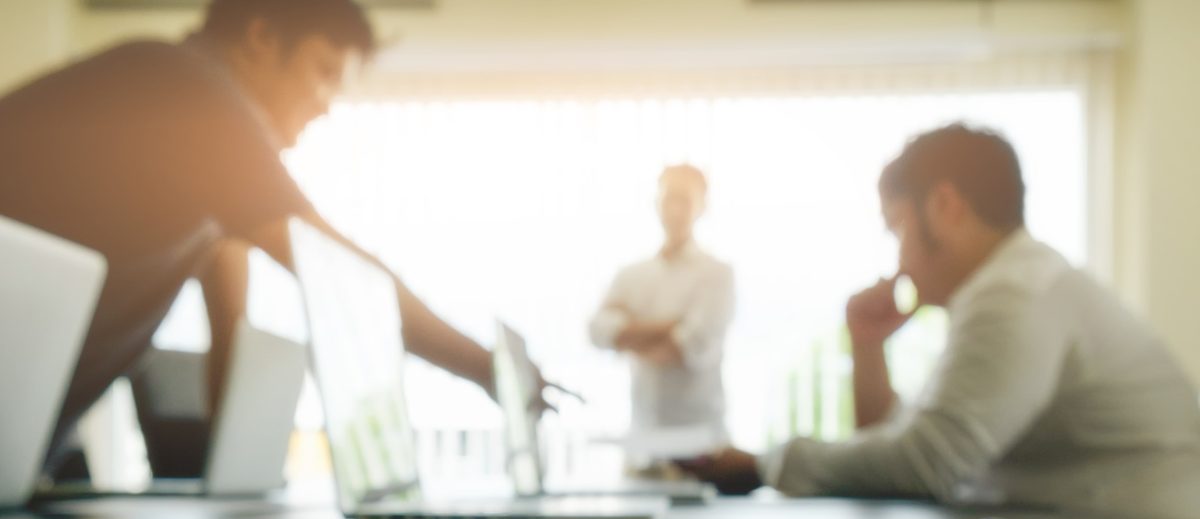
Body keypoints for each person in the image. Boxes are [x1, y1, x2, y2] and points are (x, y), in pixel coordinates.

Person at [0, 0, 546, 478]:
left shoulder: (200, 178)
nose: (326, 102)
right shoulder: (181, 83)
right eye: (323, 70)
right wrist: (487, 368)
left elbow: (232, 327)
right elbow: (335, 271)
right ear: (261, 38)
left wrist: (230, 471)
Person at [683, 124, 1200, 519]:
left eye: (899, 227)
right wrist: (867, 348)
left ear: (945, 206)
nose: (899, 258)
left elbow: (925, 464)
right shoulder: (1012, 285)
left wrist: (764, 463)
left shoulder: (1014, 295)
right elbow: (910, 443)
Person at [588, 164, 736, 461]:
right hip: (643, 442)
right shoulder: (631, 274)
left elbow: (685, 347)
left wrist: (629, 331)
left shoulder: (717, 274)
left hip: (703, 447)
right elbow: (597, 331)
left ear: (703, 206)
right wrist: (670, 325)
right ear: (656, 202)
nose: (676, 209)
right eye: (669, 198)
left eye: (685, 199)